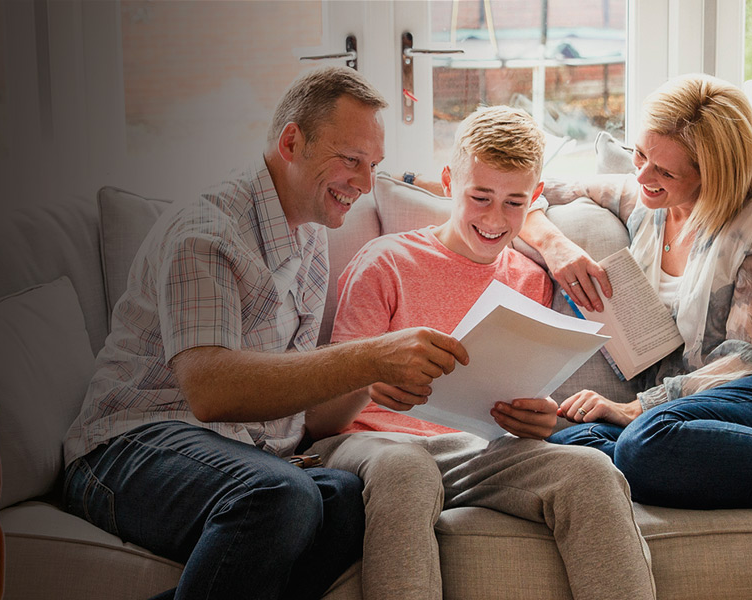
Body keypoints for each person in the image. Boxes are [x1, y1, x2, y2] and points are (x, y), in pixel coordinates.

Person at [61, 66, 472, 600]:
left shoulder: (309, 236)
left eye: (373, 166)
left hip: (236, 455)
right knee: (281, 496)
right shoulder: (207, 231)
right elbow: (211, 391)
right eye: (351, 160)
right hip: (125, 448)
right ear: (292, 141)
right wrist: (369, 357)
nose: (366, 183)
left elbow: (309, 419)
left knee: (349, 501)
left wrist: (373, 379)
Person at [304, 106, 656, 600]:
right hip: (372, 448)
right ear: (449, 183)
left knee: (592, 471)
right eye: (479, 197)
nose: (494, 219)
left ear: (534, 198)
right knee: (408, 471)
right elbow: (321, 422)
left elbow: (509, 407)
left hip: (474, 453)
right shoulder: (387, 261)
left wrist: (536, 420)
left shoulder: (529, 280)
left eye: (514, 203)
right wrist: (369, 377)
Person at [518, 73, 752, 527]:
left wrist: (634, 408)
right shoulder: (646, 200)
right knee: (575, 443)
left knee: (645, 438)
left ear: (713, 175)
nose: (643, 175)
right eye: (640, 155)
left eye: (665, 171)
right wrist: (556, 247)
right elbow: (533, 192)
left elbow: (746, 360)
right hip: (698, 411)